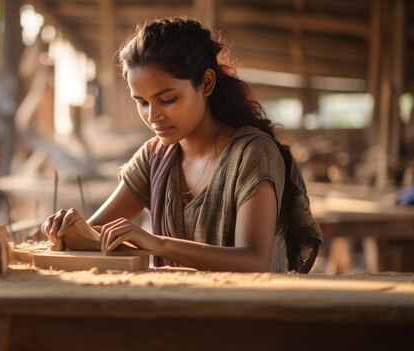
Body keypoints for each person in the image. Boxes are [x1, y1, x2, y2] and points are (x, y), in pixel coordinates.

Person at [41, 17, 322, 273]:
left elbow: (254, 261)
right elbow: (92, 234)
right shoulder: (155, 156)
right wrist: (69, 228)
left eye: (168, 99)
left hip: (247, 318)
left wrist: (159, 245)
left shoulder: (252, 154)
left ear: (207, 83)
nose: (153, 116)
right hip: (177, 312)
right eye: (141, 102)